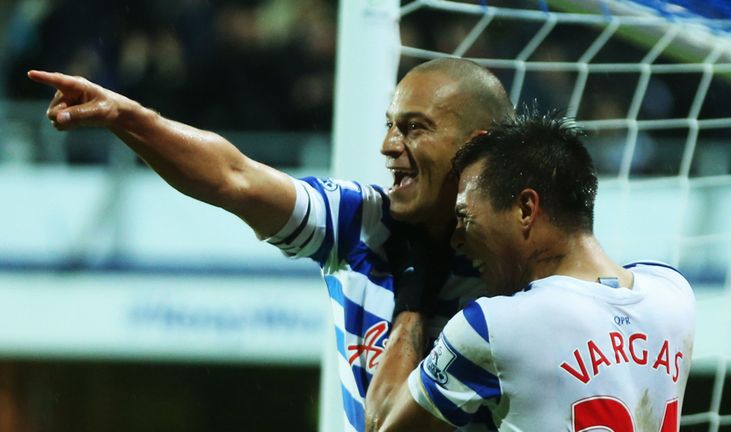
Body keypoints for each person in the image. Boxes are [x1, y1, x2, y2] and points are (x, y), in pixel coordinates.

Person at [27, 57, 514, 432]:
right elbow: (232, 176)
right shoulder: (361, 221)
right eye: (389, 125)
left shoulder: (518, 279)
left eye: (414, 128)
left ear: (476, 144)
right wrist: (128, 118)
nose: (389, 146)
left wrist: (414, 287)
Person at [371, 109, 696, 431]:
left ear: (526, 209)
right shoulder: (672, 292)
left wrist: (416, 282)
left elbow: (382, 427)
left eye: (466, 217)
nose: (457, 239)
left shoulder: (492, 326)